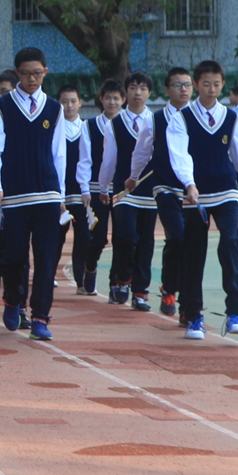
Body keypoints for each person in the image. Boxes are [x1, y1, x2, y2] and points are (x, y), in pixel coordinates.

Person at [0, 48, 67, 341]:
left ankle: (40, 316)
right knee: (14, 257)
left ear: (45, 72)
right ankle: (13, 300)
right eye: (26, 73)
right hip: (14, 196)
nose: (31, 79)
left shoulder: (54, 108)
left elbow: (59, 153)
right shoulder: (2, 107)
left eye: (37, 73)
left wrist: (61, 193)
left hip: (47, 194)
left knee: (46, 257)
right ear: (17, 73)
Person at [167, 60, 238, 339]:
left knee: (230, 243)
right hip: (196, 194)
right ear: (196, 85)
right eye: (206, 84)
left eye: (217, 84)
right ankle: (194, 315)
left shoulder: (231, 118)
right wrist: (189, 183)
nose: (211, 89)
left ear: (223, 85)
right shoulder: (181, 118)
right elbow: (179, 154)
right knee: (194, 253)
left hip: (226, 190)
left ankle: (234, 312)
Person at [128, 68, 194, 319]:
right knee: (177, 237)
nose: (184, 89)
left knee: (191, 243)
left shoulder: (199, 117)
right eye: (178, 85)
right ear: (166, 90)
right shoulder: (154, 120)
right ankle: (169, 289)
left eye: (188, 85)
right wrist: (133, 177)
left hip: (195, 192)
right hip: (165, 188)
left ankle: (187, 300)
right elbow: (142, 152)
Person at [98, 71, 156, 309]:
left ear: (149, 93)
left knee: (146, 241)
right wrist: (104, 187)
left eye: (142, 88)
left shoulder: (158, 121)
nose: (138, 93)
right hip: (123, 192)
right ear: (126, 93)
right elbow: (109, 158)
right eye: (133, 88)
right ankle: (123, 278)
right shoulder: (115, 124)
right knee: (124, 235)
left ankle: (140, 291)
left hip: (150, 193)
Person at [78, 81, 120, 296]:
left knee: (122, 238)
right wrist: (84, 189)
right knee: (99, 237)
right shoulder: (89, 126)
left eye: (116, 98)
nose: (112, 102)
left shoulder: (129, 125)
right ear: (101, 99)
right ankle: (90, 266)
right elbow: (84, 159)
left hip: (121, 190)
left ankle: (115, 284)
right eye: (108, 98)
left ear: (123, 100)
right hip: (96, 190)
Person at [56, 84, 96, 297]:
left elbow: (87, 161)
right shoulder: (54, 128)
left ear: (80, 103)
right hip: (59, 193)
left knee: (84, 237)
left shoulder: (86, 128)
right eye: (64, 101)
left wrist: (86, 188)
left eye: (73, 101)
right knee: (56, 236)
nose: (69, 105)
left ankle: (81, 280)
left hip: (81, 193)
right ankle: (48, 274)